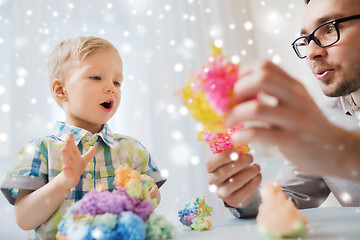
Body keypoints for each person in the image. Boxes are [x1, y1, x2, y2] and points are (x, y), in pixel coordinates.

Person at [0, 36, 166, 239]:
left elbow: (148, 204)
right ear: (61, 90)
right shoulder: (40, 150)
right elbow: (24, 219)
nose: (111, 88)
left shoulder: (132, 150)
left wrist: (151, 198)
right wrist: (64, 181)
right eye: (96, 77)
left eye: (117, 82)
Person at [206, 0, 360, 218]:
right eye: (306, 40)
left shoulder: (325, 131)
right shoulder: (324, 120)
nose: (311, 53)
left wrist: (345, 151)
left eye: (330, 28)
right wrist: (244, 196)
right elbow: (286, 199)